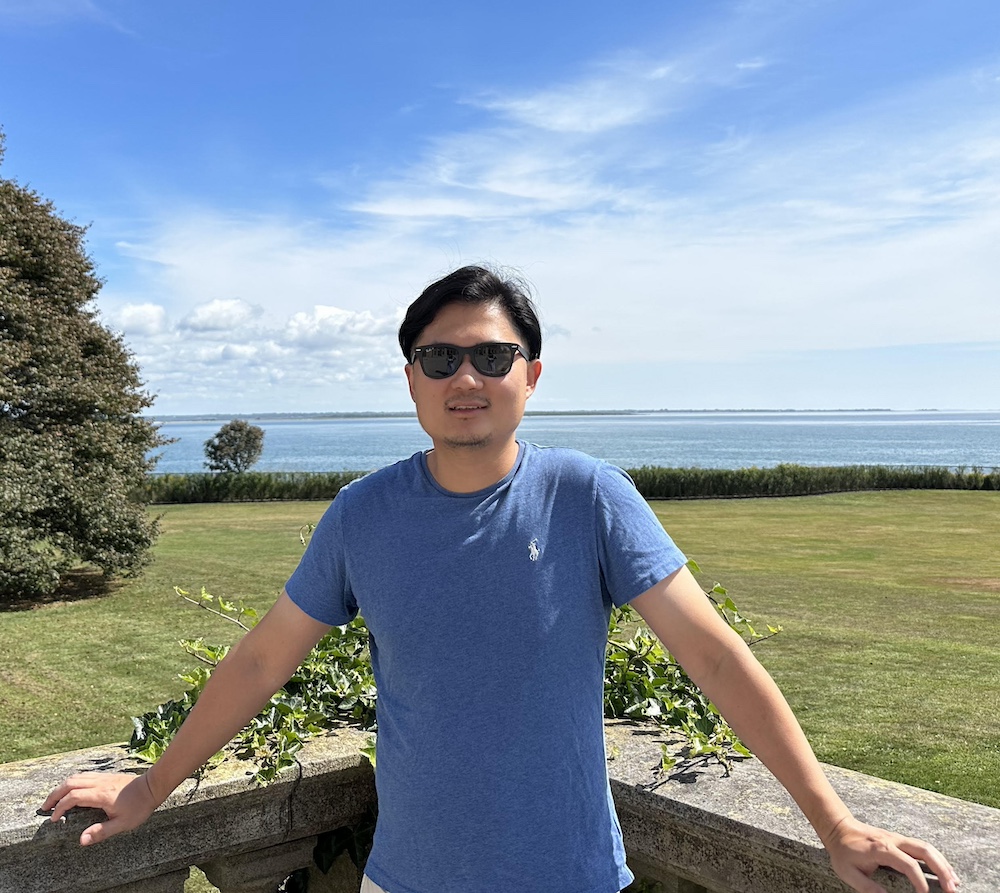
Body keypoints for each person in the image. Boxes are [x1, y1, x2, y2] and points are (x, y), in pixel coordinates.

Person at [45, 265, 959, 893]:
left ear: (531, 374)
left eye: (492, 355)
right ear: (411, 378)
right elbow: (259, 662)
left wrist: (833, 822)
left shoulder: (588, 495)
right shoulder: (362, 513)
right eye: (441, 357)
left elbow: (715, 659)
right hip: (406, 875)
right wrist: (145, 791)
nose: (466, 376)